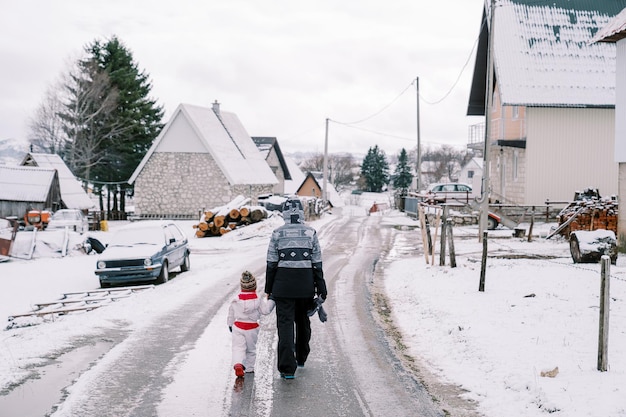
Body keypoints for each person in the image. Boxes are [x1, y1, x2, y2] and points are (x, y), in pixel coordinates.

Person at [265, 197, 327, 379]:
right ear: (301, 212)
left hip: (283, 288)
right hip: (305, 287)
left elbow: (271, 264)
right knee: (303, 322)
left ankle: (287, 368)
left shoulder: (277, 233)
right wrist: (321, 288)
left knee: (285, 326)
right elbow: (317, 263)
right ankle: (301, 357)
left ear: (284, 213)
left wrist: (269, 289)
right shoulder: (310, 233)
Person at [227, 270, 275, 378]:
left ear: (241, 287)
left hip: (238, 326)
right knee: (251, 349)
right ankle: (249, 368)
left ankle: (238, 364)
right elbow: (266, 311)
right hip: (252, 328)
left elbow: (231, 314)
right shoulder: (257, 299)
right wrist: (272, 300)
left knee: (238, 348)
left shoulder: (236, 300)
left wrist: (230, 324)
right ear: (254, 286)